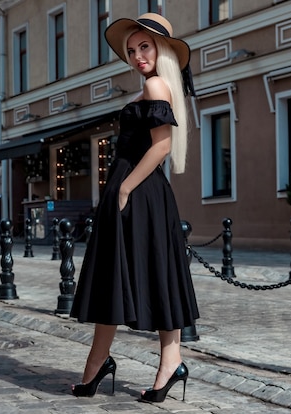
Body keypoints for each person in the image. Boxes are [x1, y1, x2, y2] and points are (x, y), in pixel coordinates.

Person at [69, 13, 199, 403]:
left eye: (144, 46)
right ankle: (112, 363)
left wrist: (124, 188)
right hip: (140, 193)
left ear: (161, 49)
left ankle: (108, 364)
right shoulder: (152, 87)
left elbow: (160, 147)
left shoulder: (157, 84)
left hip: (137, 191)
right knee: (145, 275)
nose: (137, 55)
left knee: (121, 275)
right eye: (131, 50)